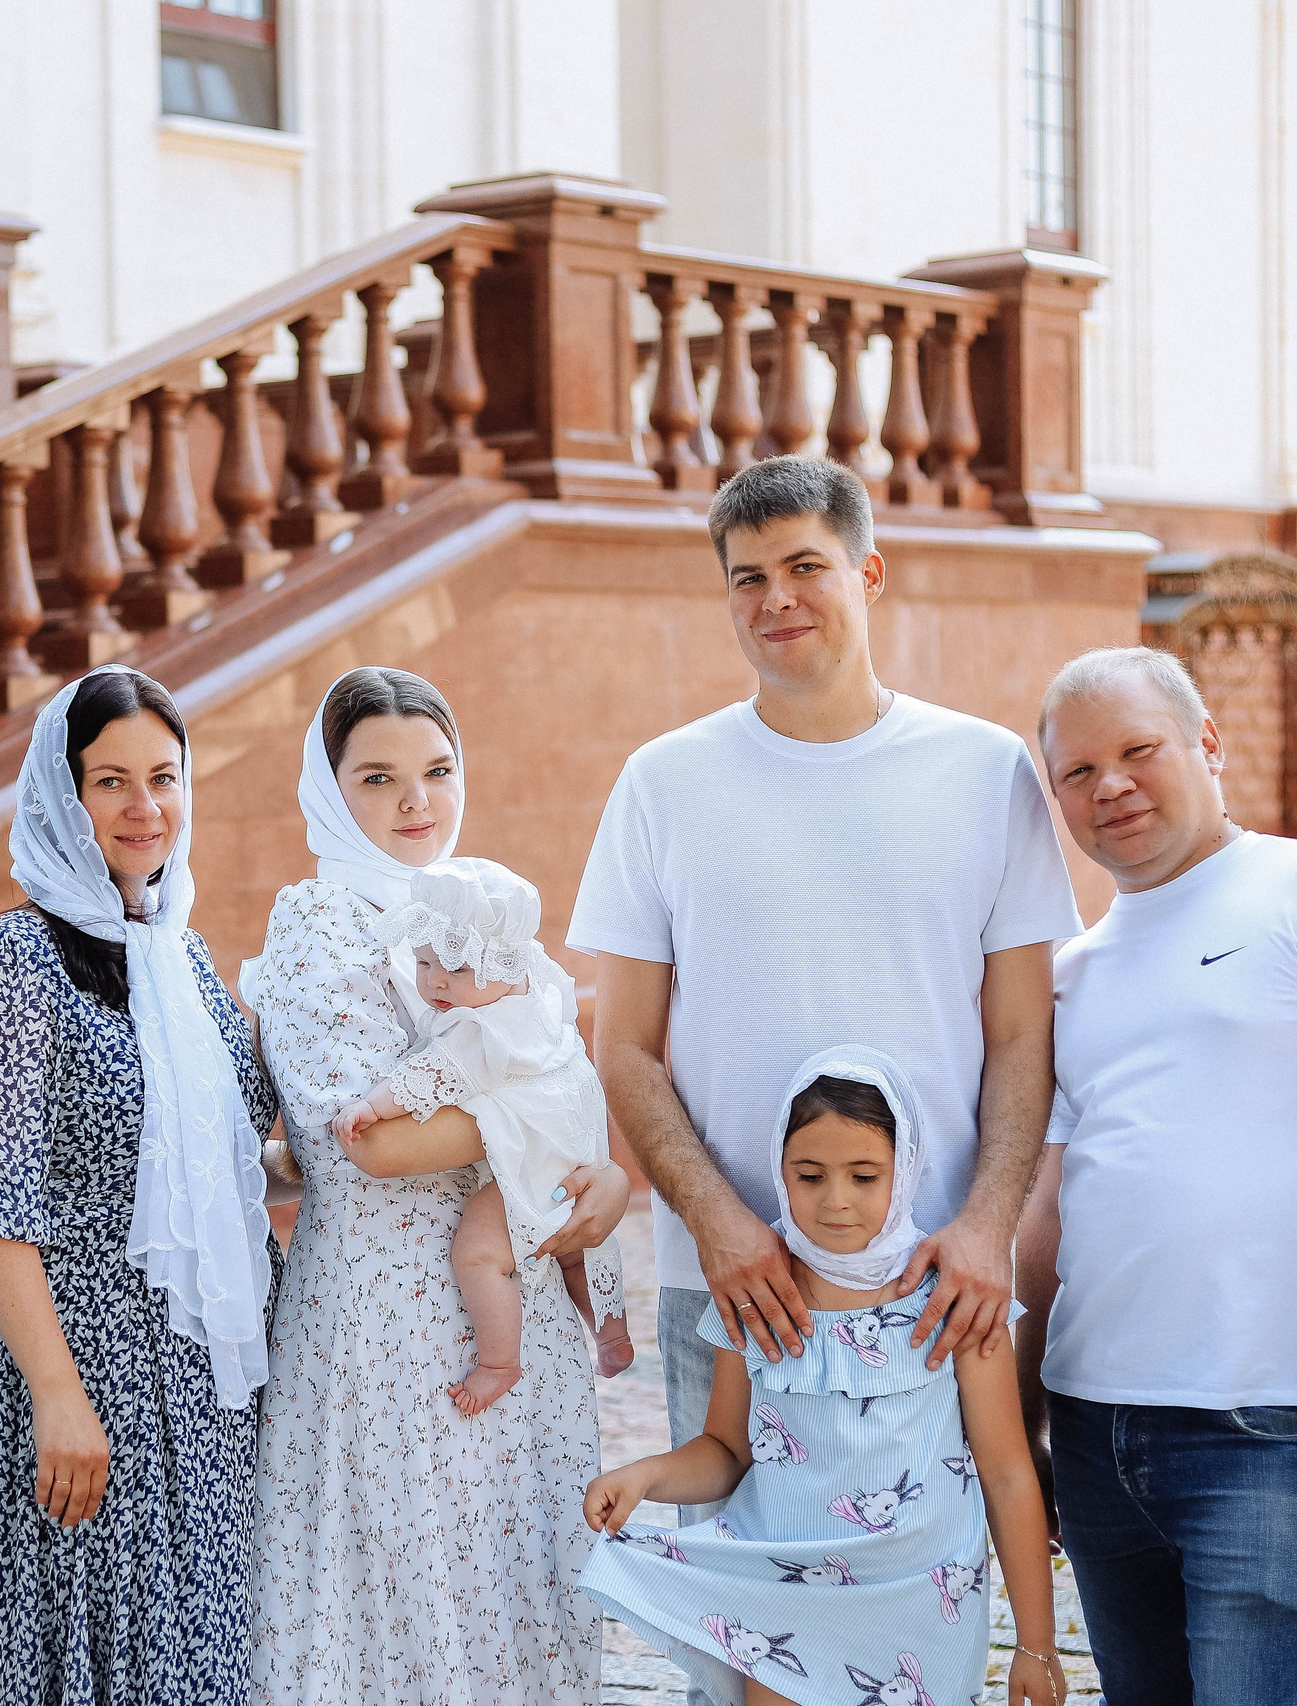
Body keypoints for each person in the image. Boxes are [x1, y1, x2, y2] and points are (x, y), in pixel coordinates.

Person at [569, 455, 1078, 1627]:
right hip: (739, 1300)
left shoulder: (983, 767)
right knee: (748, 1651)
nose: (775, 598)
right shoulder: (664, 781)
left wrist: (987, 1225)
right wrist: (721, 1222)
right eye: (746, 577)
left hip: (933, 1298)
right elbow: (627, 1047)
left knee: (918, 1644)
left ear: (869, 573)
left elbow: (1019, 1034)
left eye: (805, 566)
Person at [1019, 646, 1297, 1705]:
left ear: (1207, 744)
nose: (1109, 785)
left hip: (1261, 1428)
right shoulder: (1072, 971)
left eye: (1138, 751)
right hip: (1089, 1425)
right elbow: (1051, 1206)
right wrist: (1017, 1411)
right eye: (1077, 773)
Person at [245, 666, 631, 1705]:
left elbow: (555, 1072)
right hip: (386, 1323)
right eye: (377, 777)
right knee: (396, 1612)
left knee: (515, 1603)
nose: (416, 801)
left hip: (514, 1314)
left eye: (437, 769)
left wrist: (589, 1170)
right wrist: (549, 1124)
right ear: (331, 792)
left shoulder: (480, 910)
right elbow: (363, 1140)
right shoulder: (320, 919)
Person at [0, 666, 281, 1705]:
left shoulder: (185, 961)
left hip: (197, 1393)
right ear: (59, 793)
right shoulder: (8, 966)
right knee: (59, 1654)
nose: (143, 807)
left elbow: (242, 1155)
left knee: (187, 1656)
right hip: (69, 1379)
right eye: (110, 779)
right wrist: (56, 1394)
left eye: (164, 777)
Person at [577, 1049, 1063, 1706]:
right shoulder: (758, 1301)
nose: (836, 1201)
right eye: (809, 1175)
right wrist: (645, 1476)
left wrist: (1035, 1645)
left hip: (922, 1599)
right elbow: (725, 1453)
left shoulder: (953, 1302)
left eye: (865, 1176)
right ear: (780, 1173)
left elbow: (1007, 1475)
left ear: (907, 1169)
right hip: (782, 1591)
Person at [334, 856, 630, 1415]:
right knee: (574, 1252)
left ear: (508, 964)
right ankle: (611, 1333)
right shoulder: (536, 994)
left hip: (533, 1153)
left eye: (459, 969)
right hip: (571, 1144)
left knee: (480, 1251)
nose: (437, 982)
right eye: (423, 963)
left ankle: (499, 1362)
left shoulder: (481, 1026)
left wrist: (370, 1106)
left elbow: (428, 1075)